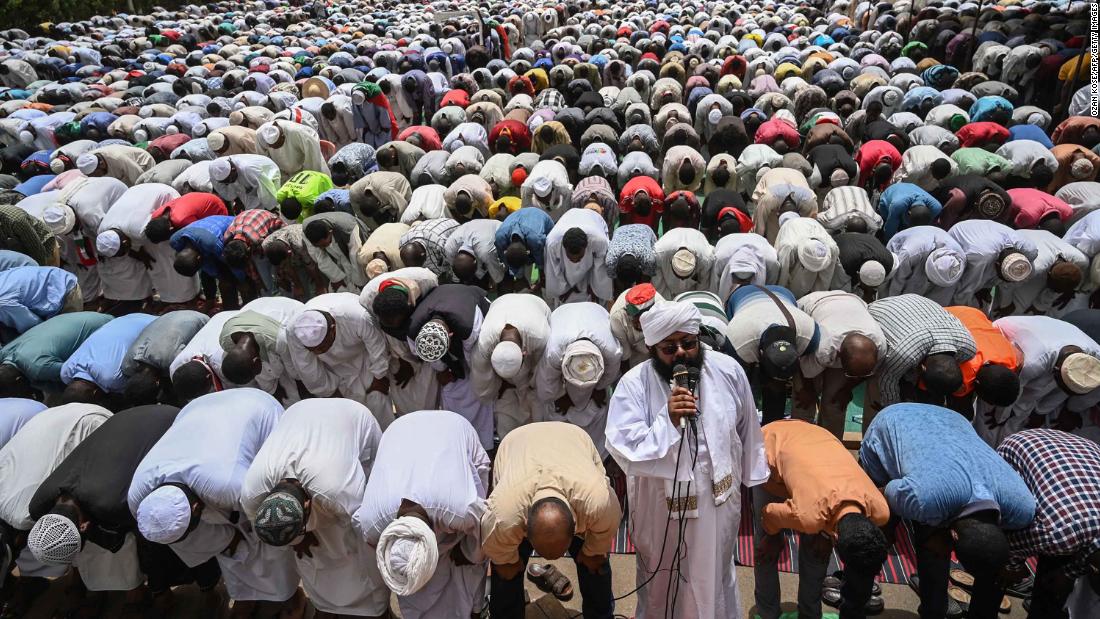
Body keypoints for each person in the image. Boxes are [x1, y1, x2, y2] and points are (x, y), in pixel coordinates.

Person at [606, 301, 769, 618]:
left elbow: (748, 426)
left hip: (716, 504)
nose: (680, 352)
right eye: (669, 347)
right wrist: (667, 419)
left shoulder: (728, 370)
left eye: (688, 343)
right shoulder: (634, 384)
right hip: (660, 509)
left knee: (714, 577)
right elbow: (622, 446)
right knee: (661, 584)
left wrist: (753, 479)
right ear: (653, 349)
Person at [27, 404, 219, 617]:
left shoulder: (110, 504)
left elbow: (145, 537)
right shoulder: (38, 505)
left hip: (169, 422)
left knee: (171, 532)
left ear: (84, 526)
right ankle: (160, 591)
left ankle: (207, 589)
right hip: (126, 417)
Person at [127, 390, 302, 618]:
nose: (191, 536)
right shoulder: (139, 499)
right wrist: (229, 539)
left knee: (266, 539)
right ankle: (245, 596)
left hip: (257, 409)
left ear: (197, 508)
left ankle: (288, 594)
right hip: (198, 411)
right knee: (231, 549)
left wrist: (290, 536)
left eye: (190, 530)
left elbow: (269, 519)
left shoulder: (231, 486)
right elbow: (209, 539)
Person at [860, 404, 1036, 619]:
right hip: (893, 419)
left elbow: (1004, 554)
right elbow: (881, 493)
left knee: (943, 541)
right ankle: (859, 591)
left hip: (954, 420)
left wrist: (1009, 564)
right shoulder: (923, 498)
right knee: (879, 528)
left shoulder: (1022, 507)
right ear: (952, 535)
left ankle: (955, 611)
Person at [242, 398, 390, 619]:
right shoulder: (252, 492)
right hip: (299, 413)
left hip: (353, 417)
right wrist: (297, 539)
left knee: (357, 551)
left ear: (307, 504)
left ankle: (373, 608)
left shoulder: (338, 491)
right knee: (315, 556)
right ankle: (329, 606)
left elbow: (364, 524)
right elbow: (266, 523)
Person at [355, 410, 490, 619]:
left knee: (469, 570)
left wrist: (469, 552)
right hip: (399, 432)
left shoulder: (461, 508)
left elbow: (485, 526)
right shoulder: (371, 524)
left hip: (452, 428)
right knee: (414, 584)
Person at [482, 422, 621, 619]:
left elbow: (600, 540)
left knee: (596, 564)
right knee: (505, 572)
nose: (551, 561)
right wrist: (509, 562)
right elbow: (500, 557)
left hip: (573, 438)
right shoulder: (504, 516)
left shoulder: (599, 503)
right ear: (526, 530)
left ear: (576, 526)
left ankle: (600, 615)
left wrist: (591, 552)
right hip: (516, 443)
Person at [754, 419, 891, 619]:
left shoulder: (880, 510)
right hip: (771, 445)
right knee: (765, 551)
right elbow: (768, 512)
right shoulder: (807, 515)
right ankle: (768, 614)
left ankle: (809, 615)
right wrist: (773, 537)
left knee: (817, 551)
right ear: (837, 538)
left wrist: (825, 536)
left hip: (816, 442)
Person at [0, 403, 110, 618]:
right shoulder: (19, 513)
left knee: (72, 530)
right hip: (52, 415)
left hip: (92, 423)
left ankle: (84, 586)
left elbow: (70, 530)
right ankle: (31, 584)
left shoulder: (25, 513)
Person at [997, 430, 1100, 619]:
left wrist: (1067, 574)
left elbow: (1092, 551)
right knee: (998, 548)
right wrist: (1012, 568)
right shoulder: (1059, 534)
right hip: (1021, 447)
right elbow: (1010, 545)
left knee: (1060, 560)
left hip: (1077, 450)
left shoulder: (1072, 538)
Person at [977, 316, 1100, 447]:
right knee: (991, 418)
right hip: (1004, 335)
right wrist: (1001, 415)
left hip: (1045, 338)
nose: (1061, 389)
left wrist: (1040, 412)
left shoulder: (1094, 359)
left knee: (1020, 413)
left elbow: (1064, 388)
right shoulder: (1032, 362)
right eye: (1061, 385)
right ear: (1057, 370)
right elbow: (1012, 392)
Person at [285, 292, 393, 428]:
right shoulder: (294, 331)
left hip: (365, 358)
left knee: (379, 404)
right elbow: (308, 369)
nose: (319, 351)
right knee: (348, 419)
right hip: (332, 370)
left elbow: (377, 345)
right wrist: (330, 393)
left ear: (333, 328)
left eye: (323, 346)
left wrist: (379, 376)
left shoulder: (357, 316)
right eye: (314, 350)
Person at [406, 284, 493, 450]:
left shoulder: (470, 328)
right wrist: (443, 370)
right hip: (445, 303)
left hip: (472, 301)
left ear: (451, 336)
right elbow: (431, 356)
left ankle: (483, 446)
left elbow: (474, 362)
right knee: (451, 388)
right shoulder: (414, 331)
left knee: (478, 388)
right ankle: (456, 443)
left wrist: (472, 378)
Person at [865, 294, 978, 422]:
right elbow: (887, 381)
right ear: (922, 368)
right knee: (878, 406)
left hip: (917, 304)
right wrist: (893, 413)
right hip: (882, 309)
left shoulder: (968, 348)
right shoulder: (903, 353)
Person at [793, 291, 886, 439]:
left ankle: (830, 446)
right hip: (812, 304)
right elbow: (803, 365)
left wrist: (846, 389)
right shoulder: (823, 348)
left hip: (852, 301)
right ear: (839, 355)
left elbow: (865, 373)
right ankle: (799, 443)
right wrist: (808, 389)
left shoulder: (879, 346)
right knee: (803, 402)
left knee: (835, 403)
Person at [535, 302, 622, 456]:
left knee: (600, 411)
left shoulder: (612, 352)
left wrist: (599, 389)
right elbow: (545, 389)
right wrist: (560, 396)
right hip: (563, 315)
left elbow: (610, 377)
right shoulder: (553, 353)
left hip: (595, 312)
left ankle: (598, 460)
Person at [725, 284, 820, 424]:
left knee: (775, 390)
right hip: (741, 296)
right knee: (748, 391)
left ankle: (773, 424)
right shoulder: (738, 342)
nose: (779, 382)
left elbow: (807, 367)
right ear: (760, 353)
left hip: (784, 294)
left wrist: (806, 388)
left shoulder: (810, 335)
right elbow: (739, 381)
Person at [359, 268, 441, 415]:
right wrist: (402, 359)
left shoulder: (427, 281)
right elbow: (378, 334)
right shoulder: (367, 299)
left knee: (428, 388)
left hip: (419, 327)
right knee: (401, 387)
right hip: (391, 344)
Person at [470, 293, 551, 440]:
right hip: (500, 303)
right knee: (506, 414)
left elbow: (542, 367)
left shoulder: (540, 336)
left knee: (538, 410)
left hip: (536, 304)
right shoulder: (485, 343)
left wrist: (531, 384)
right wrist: (495, 388)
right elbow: (481, 377)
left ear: (524, 353)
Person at [0, 312, 113, 399]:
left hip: (104, 326)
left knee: (77, 391)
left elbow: (78, 376)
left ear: (19, 379)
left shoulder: (38, 367)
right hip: (82, 317)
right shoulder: (6, 352)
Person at [58, 313, 157, 408]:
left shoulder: (112, 379)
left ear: (95, 394)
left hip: (156, 325)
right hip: (128, 318)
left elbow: (135, 391)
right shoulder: (66, 371)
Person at [218, 297, 305, 402]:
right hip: (256, 308)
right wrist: (273, 392)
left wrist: (303, 387)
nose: (256, 376)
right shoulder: (225, 341)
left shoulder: (278, 340)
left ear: (256, 361)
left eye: (254, 374)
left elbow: (293, 367)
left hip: (287, 312)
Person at [119, 310, 209, 406]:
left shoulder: (173, 361)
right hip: (171, 316)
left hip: (199, 319)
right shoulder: (127, 364)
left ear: (158, 382)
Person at [992, 229, 1087, 318]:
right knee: (1014, 308)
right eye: (1053, 288)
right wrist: (1006, 304)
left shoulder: (1082, 260)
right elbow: (1006, 285)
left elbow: (1070, 280)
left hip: (1044, 236)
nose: (1055, 292)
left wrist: (1071, 291)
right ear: (1048, 274)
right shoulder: (1033, 267)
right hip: (1016, 239)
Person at [170, 214, 257, 312]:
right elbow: (210, 269)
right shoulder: (175, 241)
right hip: (209, 239)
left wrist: (242, 280)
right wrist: (221, 277)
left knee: (242, 280)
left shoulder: (212, 243)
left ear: (199, 258)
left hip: (233, 234)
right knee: (225, 283)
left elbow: (232, 263)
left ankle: (251, 307)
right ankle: (230, 311)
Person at [947, 220, 1038, 308]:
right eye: (1001, 277)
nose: (1001, 282)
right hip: (961, 232)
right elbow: (964, 290)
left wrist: (985, 288)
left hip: (990, 231)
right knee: (950, 283)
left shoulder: (1030, 251)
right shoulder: (981, 257)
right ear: (996, 264)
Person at [544, 208, 613, 307]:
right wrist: (562, 291)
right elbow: (553, 271)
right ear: (564, 249)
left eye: (580, 257)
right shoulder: (552, 243)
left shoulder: (599, 241)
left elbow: (601, 269)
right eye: (571, 258)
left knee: (598, 300)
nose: (576, 261)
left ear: (587, 246)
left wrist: (596, 290)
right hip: (569, 217)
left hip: (593, 219)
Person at [883, 225, 966, 305]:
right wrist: (893, 303)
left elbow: (942, 296)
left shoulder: (959, 260)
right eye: (930, 280)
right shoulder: (910, 253)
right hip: (900, 248)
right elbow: (897, 281)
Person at [0, 265, 80, 340]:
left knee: (65, 342)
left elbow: (34, 327)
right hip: (57, 281)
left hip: (64, 295)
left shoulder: (2, 303)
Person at [222, 209, 286, 296]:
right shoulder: (227, 237)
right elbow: (250, 266)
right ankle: (268, 294)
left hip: (275, 227)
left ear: (248, 250)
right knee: (264, 282)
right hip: (251, 220)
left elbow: (272, 260)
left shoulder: (258, 240)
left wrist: (281, 274)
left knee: (280, 273)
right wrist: (258, 282)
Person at [302, 211, 371, 293]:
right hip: (336, 254)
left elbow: (355, 256)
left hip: (353, 241)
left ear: (330, 233)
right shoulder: (306, 231)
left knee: (359, 279)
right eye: (319, 246)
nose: (323, 248)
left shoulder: (348, 228)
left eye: (324, 245)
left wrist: (360, 282)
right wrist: (336, 278)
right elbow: (319, 256)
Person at [774, 216, 840, 298]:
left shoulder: (832, 249)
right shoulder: (789, 247)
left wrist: (817, 298)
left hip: (812, 224)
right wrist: (781, 295)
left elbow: (826, 278)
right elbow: (783, 273)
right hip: (791, 229)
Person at [609, 284, 665, 371]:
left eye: (641, 320)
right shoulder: (617, 318)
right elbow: (625, 357)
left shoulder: (663, 308)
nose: (638, 324)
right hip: (633, 353)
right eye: (634, 319)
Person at [651, 227, 714, 299]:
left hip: (690, 293)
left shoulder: (706, 259)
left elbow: (703, 287)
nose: (682, 280)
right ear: (671, 262)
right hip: (669, 289)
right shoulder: (659, 255)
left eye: (685, 277)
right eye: (680, 277)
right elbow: (659, 285)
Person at [443, 219, 505, 291]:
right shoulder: (449, 248)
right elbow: (455, 271)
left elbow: (498, 276)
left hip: (495, 229)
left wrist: (495, 281)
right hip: (473, 227)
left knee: (501, 278)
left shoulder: (486, 252)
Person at [143, 193, 229, 245]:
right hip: (200, 199)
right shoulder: (155, 215)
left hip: (216, 208)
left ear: (171, 229)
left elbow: (201, 231)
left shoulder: (181, 220)